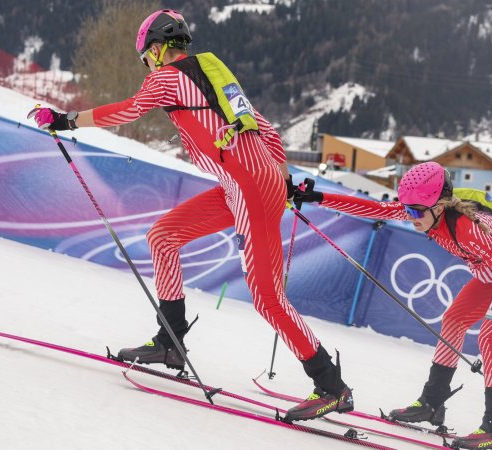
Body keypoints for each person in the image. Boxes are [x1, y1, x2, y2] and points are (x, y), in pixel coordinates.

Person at [28, 9, 352, 422]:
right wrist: (281, 180)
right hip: (248, 183)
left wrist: (66, 120)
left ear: (158, 49)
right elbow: (265, 129)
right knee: (163, 237)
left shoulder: (168, 76)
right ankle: (170, 342)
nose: (147, 65)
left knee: (267, 297)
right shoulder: (214, 76)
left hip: (249, 186)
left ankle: (331, 387)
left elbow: (128, 111)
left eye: (146, 57)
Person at [294, 162, 492, 449]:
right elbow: (379, 209)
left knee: (490, 337)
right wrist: (319, 198)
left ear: (440, 206)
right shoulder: (423, 210)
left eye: (417, 211)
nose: (411, 216)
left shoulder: (466, 228)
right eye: (408, 209)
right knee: (454, 321)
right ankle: (432, 403)